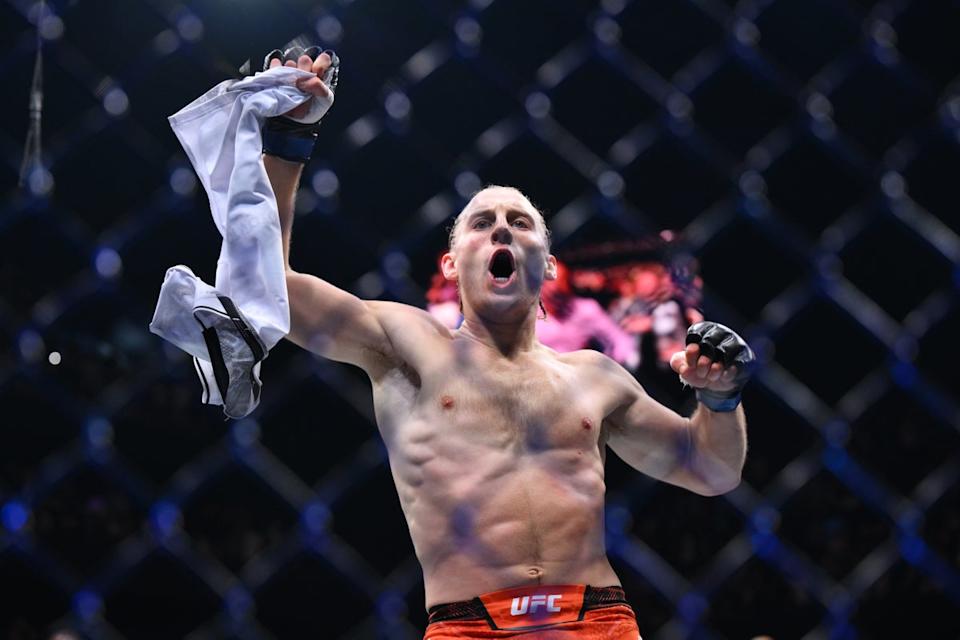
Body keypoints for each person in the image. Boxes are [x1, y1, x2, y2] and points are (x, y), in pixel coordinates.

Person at [264, 50, 754, 639]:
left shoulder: (596, 377)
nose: (501, 227)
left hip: (597, 620)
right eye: (482, 222)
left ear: (547, 266)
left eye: (519, 222)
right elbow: (269, 286)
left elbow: (712, 469)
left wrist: (721, 399)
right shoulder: (407, 345)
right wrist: (290, 139)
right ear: (451, 264)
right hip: (467, 625)